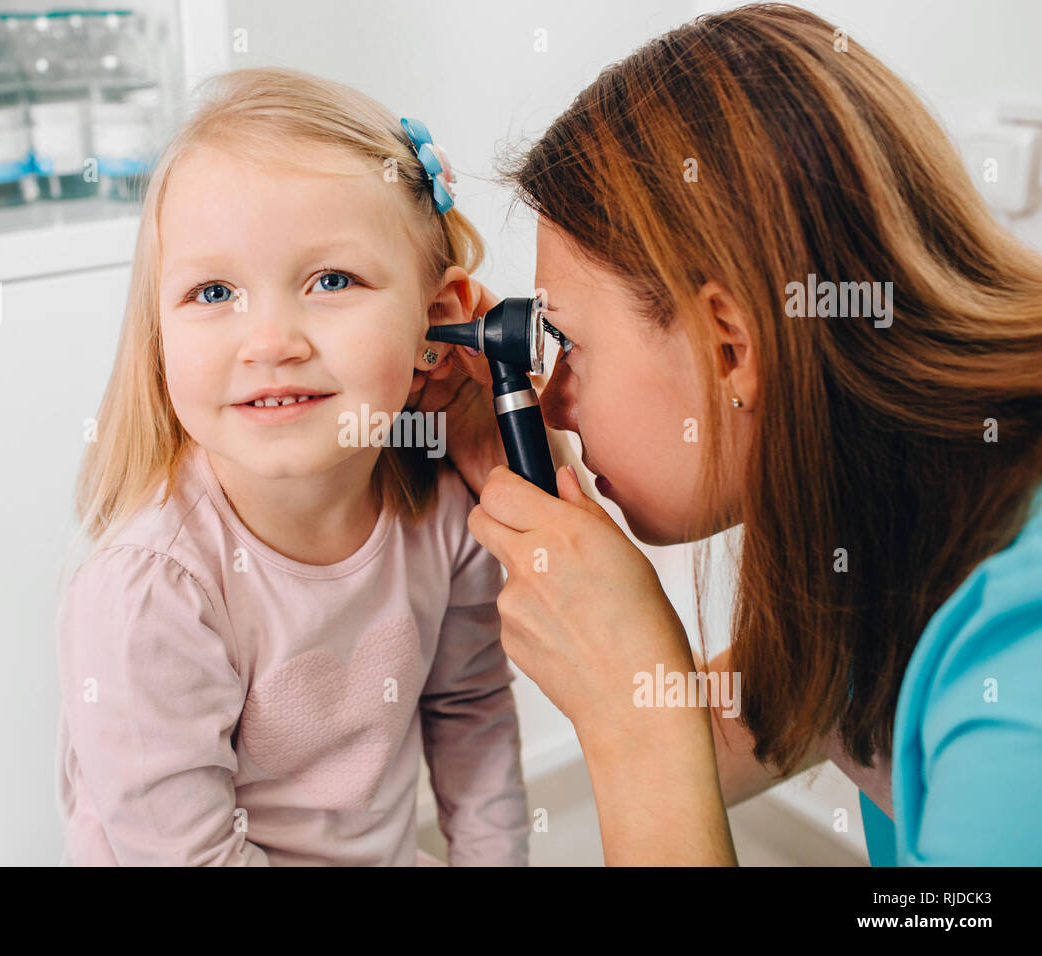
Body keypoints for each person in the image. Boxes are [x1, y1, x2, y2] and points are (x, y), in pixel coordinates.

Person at [412, 3, 1042, 865]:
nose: (553, 402)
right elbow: (721, 742)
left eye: (571, 346)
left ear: (731, 345)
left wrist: (628, 717)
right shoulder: (895, 520)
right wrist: (499, 456)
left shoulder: (1018, 681)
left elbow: (659, 759)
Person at [54, 67, 529, 866]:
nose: (271, 340)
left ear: (435, 322)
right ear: (159, 335)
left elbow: (472, 710)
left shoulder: (450, 516)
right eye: (213, 292)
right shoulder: (151, 595)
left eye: (331, 280)